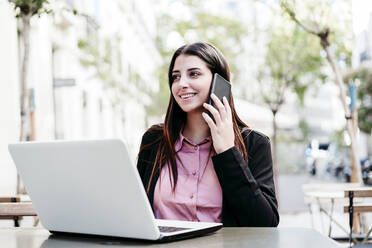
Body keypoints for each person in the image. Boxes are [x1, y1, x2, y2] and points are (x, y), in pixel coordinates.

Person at [136, 42, 279, 227]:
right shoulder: (155, 140)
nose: (182, 84)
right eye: (176, 77)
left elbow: (265, 224)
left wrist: (227, 152)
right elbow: (137, 209)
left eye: (193, 74)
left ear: (219, 82)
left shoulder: (254, 143)